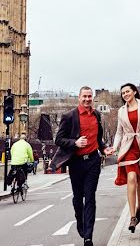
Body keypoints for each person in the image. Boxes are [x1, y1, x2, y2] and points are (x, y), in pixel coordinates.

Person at [51, 87, 106, 246]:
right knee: (78, 198)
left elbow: (99, 138)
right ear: (79, 98)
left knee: (90, 197)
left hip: (93, 162)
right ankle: (80, 220)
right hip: (76, 162)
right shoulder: (69, 116)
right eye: (85, 96)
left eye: (90, 96)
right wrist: (74, 142)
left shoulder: (96, 115)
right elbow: (59, 140)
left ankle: (88, 236)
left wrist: (103, 148)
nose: (87, 99)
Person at [105, 82, 140, 233]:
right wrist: (114, 147)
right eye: (123, 93)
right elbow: (119, 132)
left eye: (127, 91)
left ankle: (139, 207)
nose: (125, 94)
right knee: (131, 177)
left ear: (134, 92)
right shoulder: (121, 111)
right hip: (129, 146)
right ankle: (132, 217)